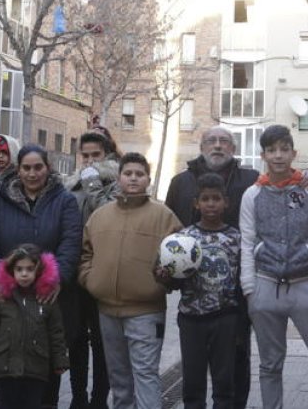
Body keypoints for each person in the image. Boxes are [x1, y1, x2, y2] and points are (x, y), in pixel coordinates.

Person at [163, 126, 308, 408]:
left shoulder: (251, 180)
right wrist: (169, 278)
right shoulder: (180, 182)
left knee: (236, 363)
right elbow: (170, 236)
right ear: (201, 146)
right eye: (211, 141)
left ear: (233, 148)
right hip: (194, 302)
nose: (217, 146)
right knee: (195, 376)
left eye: (224, 141)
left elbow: (283, 176)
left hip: (237, 295)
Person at [0, 145, 82, 409]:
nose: (32, 173)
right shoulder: (2, 201)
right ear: (18, 169)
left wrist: (55, 279)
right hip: (9, 295)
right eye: (26, 167)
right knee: (9, 362)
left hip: (47, 296)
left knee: (45, 364)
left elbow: (71, 243)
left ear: (47, 167)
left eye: (38, 167)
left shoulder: (65, 201)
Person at [239, 125, 308, 409]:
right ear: (263, 155)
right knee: (269, 364)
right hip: (265, 285)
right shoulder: (252, 195)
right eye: (272, 150)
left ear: (294, 153)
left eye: (284, 149)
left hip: (306, 284)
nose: (278, 156)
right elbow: (246, 241)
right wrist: (249, 288)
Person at [79, 152, 182, 409]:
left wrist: (163, 283)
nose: (133, 178)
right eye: (128, 173)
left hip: (146, 312)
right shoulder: (100, 216)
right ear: (119, 177)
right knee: (119, 379)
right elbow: (85, 253)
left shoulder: (164, 216)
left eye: (139, 174)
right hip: (107, 312)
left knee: (145, 374)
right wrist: (91, 280)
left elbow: (180, 258)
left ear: (147, 179)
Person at [167, 173, 242, 409]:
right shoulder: (184, 238)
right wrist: (161, 274)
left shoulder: (236, 237)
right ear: (196, 203)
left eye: (216, 199)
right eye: (205, 199)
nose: (211, 204)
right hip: (191, 319)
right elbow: (170, 279)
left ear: (226, 202)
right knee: (192, 384)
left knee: (224, 383)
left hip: (225, 318)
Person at [0, 244, 69, 409]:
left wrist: (60, 360)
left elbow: (56, 332)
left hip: (36, 367)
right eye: (19, 269)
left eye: (30, 269)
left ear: (38, 271)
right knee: (6, 404)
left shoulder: (46, 299)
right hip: (4, 367)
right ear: (11, 270)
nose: (24, 274)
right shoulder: (0, 298)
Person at [63, 131, 119, 409]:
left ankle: (99, 399)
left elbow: (107, 214)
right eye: (85, 155)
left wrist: (94, 181)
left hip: (102, 271)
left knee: (101, 340)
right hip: (73, 272)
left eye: (95, 155)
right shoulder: (70, 184)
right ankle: (78, 397)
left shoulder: (117, 181)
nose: (89, 161)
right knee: (75, 338)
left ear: (106, 155)